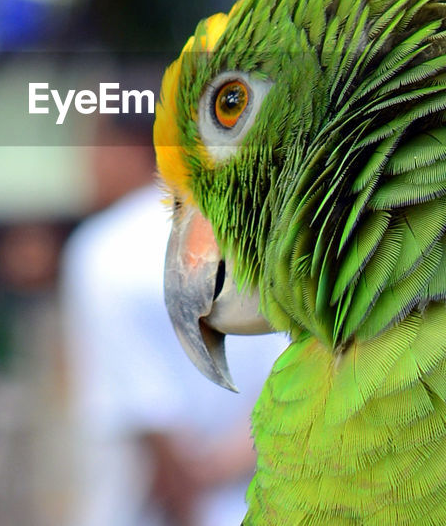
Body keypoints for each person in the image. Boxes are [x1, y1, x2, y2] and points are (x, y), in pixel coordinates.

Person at [60, 118, 287, 526]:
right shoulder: (251, 231)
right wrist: (221, 468)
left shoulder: (103, 249)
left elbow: (146, 412)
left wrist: (190, 497)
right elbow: (286, 374)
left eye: (91, 150)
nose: (83, 168)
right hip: (262, 501)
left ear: (125, 149)